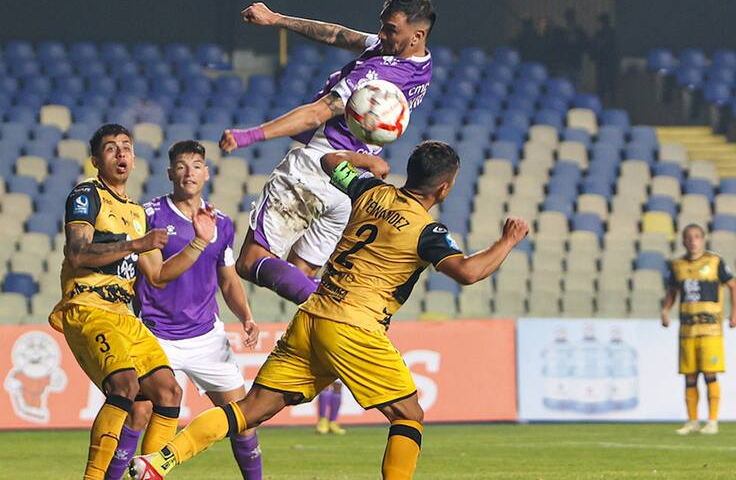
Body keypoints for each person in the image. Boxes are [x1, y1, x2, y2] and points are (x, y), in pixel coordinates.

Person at [128, 141, 529, 480]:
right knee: (408, 413)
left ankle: (163, 460)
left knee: (249, 410)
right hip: (355, 325)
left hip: (312, 316)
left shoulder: (370, 190)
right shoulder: (428, 232)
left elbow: (329, 161)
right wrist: (508, 241)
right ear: (445, 188)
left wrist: (366, 160)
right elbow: (468, 272)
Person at [220, 0, 435, 306]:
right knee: (300, 272)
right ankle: (329, 315)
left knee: (250, 262)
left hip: (317, 168)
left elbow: (318, 113)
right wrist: (277, 19)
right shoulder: (420, 62)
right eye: (382, 26)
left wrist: (249, 136)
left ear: (416, 35)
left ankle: (337, 302)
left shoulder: (378, 75)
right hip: (349, 182)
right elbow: (338, 34)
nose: (381, 35)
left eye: (390, 29)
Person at [48, 124, 217, 480]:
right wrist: (134, 246)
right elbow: (77, 253)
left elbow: (156, 275)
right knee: (124, 386)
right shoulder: (86, 195)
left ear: (135, 159)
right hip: (88, 307)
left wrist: (199, 243)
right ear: (96, 160)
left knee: (169, 392)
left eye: (126, 147)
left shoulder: (137, 213)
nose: (121, 153)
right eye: (111, 149)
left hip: (124, 316)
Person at [104, 140, 263, 480]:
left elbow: (229, 279)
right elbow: (156, 277)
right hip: (157, 336)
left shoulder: (220, 222)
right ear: (170, 173)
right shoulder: (149, 216)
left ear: (206, 173)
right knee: (140, 413)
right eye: (181, 166)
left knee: (244, 420)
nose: (188, 172)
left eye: (195, 165)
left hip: (206, 336)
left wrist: (246, 316)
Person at [662, 223, 736, 435]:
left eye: (697, 237)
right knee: (690, 376)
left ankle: (712, 421)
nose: (693, 241)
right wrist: (665, 310)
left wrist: (734, 314)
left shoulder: (714, 262)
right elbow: (672, 291)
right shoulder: (677, 265)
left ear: (703, 239)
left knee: (710, 375)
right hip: (687, 330)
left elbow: (732, 285)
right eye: (689, 237)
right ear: (683, 241)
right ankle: (692, 421)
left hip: (711, 329)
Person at [590, 12, 619, 105]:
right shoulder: (598, 35)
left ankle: (612, 106)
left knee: (611, 88)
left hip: (610, 65)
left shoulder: (612, 34)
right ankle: (601, 106)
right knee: (601, 88)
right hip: (602, 65)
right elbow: (593, 49)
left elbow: (616, 49)